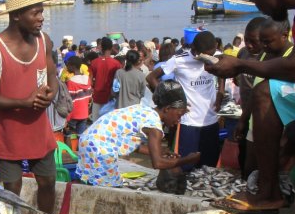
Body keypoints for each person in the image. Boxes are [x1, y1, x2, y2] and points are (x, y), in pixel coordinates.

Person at [0, 0, 59, 214]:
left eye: (41, 12)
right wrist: (23, 103)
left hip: (38, 129)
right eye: (35, 13)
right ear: (16, 16)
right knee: (12, 187)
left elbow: (52, 75)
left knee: (48, 182)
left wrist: (50, 92)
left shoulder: (43, 41)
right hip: (8, 132)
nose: (41, 18)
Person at [77, 80, 200, 187]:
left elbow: (132, 144)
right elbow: (158, 163)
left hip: (89, 139)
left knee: (93, 181)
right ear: (167, 109)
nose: (178, 120)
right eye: (179, 115)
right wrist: (187, 159)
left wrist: (161, 151)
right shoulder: (154, 125)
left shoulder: (144, 110)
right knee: (107, 186)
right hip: (99, 147)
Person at [147, 31, 223, 170]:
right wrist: (172, 99)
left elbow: (223, 71)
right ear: (195, 50)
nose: (209, 58)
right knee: (187, 166)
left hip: (211, 120)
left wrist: (221, 93)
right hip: (189, 121)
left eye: (211, 54)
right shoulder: (178, 60)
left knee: (210, 167)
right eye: (205, 55)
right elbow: (151, 77)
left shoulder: (216, 57)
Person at [234, 17, 267, 179]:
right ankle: (244, 181)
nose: (249, 45)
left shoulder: (268, 59)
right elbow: (236, 75)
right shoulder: (243, 53)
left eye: (253, 42)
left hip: (261, 116)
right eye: (246, 40)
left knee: (259, 157)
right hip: (245, 112)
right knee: (243, 151)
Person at [90, 37, 123, 121]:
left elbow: (90, 81)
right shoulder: (116, 64)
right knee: (109, 123)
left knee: (96, 123)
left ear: (101, 47)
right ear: (111, 47)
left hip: (97, 97)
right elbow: (118, 82)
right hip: (110, 98)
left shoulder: (94, 62)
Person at [64, 57, 92, 134]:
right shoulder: (87, 79)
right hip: (84, 114)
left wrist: (67, 118)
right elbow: (89, 97)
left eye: (68, 65)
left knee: (68, 136)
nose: (66, 67)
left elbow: (69, 101)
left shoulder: (70, 82)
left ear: (73, 66)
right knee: (81, 137)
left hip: (73, 115)